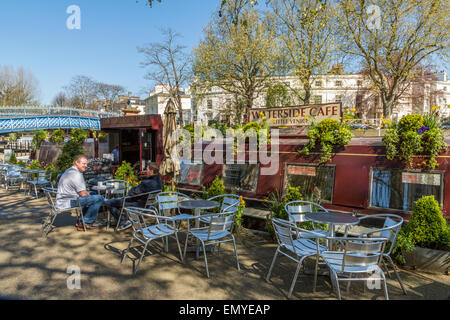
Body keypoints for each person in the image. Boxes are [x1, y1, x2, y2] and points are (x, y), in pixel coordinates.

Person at [104, 162, 162, 231]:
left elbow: (131, 193)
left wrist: (132, 189)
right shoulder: (159, 181)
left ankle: (123, 221)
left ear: (151, 171)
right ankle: (122, 220)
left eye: (147, 169)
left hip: (137, 204)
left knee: (108, 202)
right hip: (147, 204)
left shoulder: (146, 183)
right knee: (116, 201)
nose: (146, 171)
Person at [56, 155, 105, 231]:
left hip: (63, 199)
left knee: (93, 194)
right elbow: (83, 194)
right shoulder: (76, 174)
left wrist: (90, 195)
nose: (86, 166)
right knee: (99, 198)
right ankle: (86, 222)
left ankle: (82, 220)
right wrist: (90, 195)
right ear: (76, 163)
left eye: (86, 164)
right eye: (83, 163)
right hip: (69, 201)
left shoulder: (69, 170)